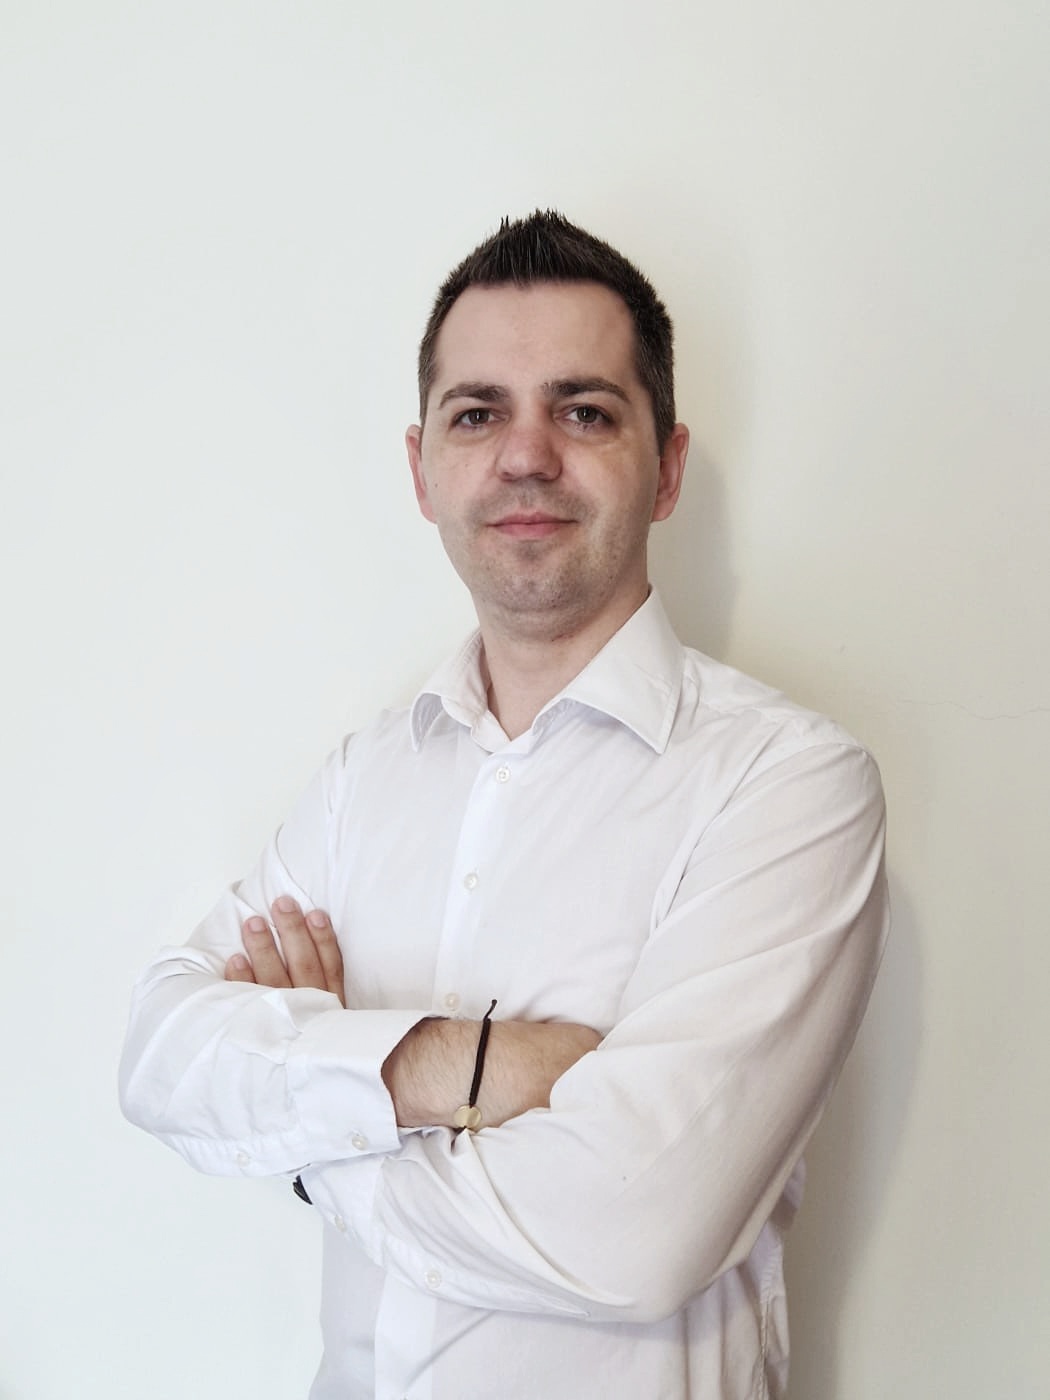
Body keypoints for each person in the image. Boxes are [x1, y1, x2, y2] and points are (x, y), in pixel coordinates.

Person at [120, 210, 889, 1400]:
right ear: (421, 468)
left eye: (584, 411)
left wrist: (315, 1131)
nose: (526, 455)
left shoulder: (789, 785)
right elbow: (164, 1053)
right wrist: (458, 1063)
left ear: (667, 467)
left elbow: (632, 1229)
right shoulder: (362, 779)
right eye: (478, 413)